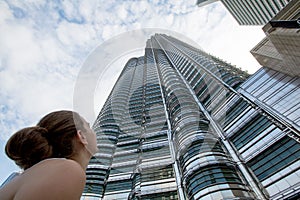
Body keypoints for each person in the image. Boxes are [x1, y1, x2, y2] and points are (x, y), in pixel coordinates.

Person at [0, 110, 98, 200]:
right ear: (82, 136)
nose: (94, 132)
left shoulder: (45, 171)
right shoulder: (66, 169)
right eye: (88, 127)